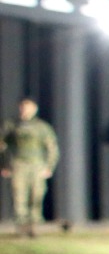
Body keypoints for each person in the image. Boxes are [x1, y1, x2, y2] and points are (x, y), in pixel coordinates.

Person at [1, 98, 60, 237]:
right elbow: (2, 145)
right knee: (19, 196)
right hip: (18, 165)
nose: (25, 110)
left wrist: (49, 166)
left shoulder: (42, 127)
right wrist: (4, 164)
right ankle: (21, 227)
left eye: (28, 107)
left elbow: (52, 148)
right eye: (23, 107)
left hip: (37, 166)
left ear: (35, 109)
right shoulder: (11, 125)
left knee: (36, 195)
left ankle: (33, 226)